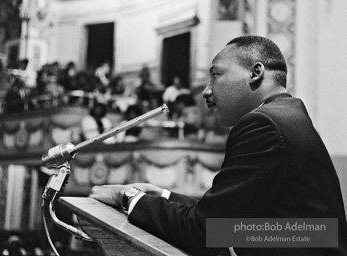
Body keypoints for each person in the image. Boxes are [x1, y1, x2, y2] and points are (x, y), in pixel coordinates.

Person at [89, 36, 347, 255]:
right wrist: (165, 196)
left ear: (255, 73)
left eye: (216, 75)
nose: (206, 91)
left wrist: (128, 197)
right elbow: (239, 224)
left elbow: (207, 234)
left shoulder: (263, 124)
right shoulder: (285, 115)